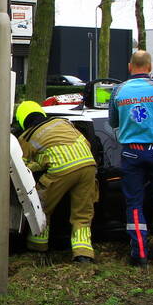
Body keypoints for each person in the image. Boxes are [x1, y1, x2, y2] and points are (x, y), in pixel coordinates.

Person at [108, 51, 153, 268]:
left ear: (130, 67)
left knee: (134, 204)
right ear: (149, 66)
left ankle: (139, 255)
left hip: (132, 152)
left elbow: (112, 121)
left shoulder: (118, 90)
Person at [15, 100, 98, 264]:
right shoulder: (63, 122)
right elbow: (86, 143)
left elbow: (21, 165)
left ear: (22, 120)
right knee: (82, 214)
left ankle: (37, 249)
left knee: (41, 208)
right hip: (88, 165)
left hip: (62, 169)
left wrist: (38, 164)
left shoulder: (27, 136)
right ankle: (83, 255)